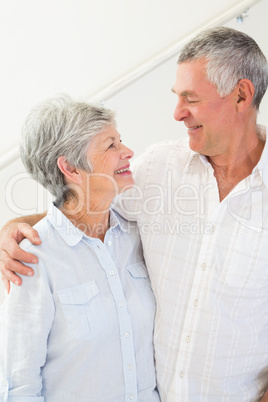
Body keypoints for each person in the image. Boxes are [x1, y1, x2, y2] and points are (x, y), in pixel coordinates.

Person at [1, 26, 268, 401]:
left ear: (241, 95)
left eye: (190, 98)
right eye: (177, 97)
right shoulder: (161, 167)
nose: (177, 113)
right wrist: (13, 228)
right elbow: (83, 207)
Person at [0, 95, 160, 401]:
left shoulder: (135, 234)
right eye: (111, 145)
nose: (127, 152)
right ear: (71, 168)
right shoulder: (33, 257)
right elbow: (18, 385)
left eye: (120, 140)